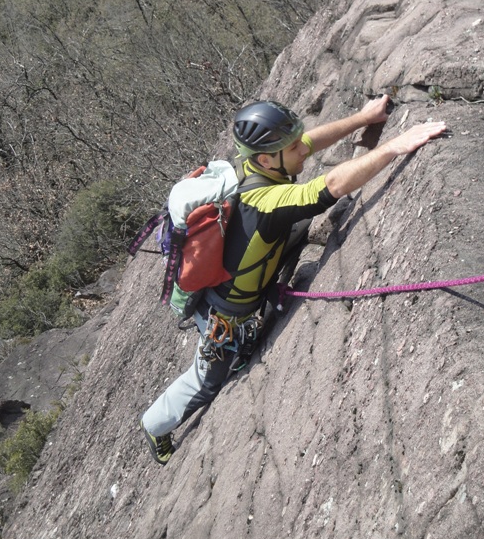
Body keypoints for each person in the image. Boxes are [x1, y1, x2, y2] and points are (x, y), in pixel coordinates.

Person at [140, 96, 446, 464]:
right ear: (267, 159)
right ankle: (154, 426)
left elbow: (309, 142)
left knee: (296, 223)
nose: (302, 151)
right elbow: (328, 186)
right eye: (291, 148)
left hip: (236, 277)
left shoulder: (249, 166)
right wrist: (395, 146)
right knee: (206, 382)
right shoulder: (266, 202)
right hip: (224, 316)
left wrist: (364, 118)